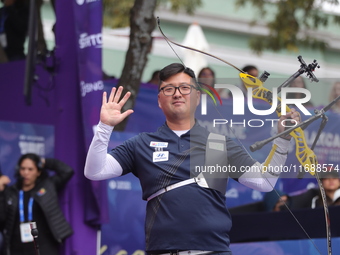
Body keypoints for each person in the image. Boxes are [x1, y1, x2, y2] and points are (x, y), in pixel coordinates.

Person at [84, 63, 300, 254]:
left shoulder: (220, 143)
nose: (177, 94)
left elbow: (264, 181)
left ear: (197, 97)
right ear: (160, 100)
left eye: (185, 88)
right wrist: (105, 127)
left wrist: (282, 140)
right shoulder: (142, 143)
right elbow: (95, 171)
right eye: (168, 89)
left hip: (213, 251)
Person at [0, 153, 74, 255]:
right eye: (23, 168)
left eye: (30, 169)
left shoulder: (47, 187)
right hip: (16, 247)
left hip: (44, 246)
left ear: (38, 171)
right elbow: (2, 218)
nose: (26, 173)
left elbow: (67, 171)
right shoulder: (11, 192)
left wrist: (44, 162)